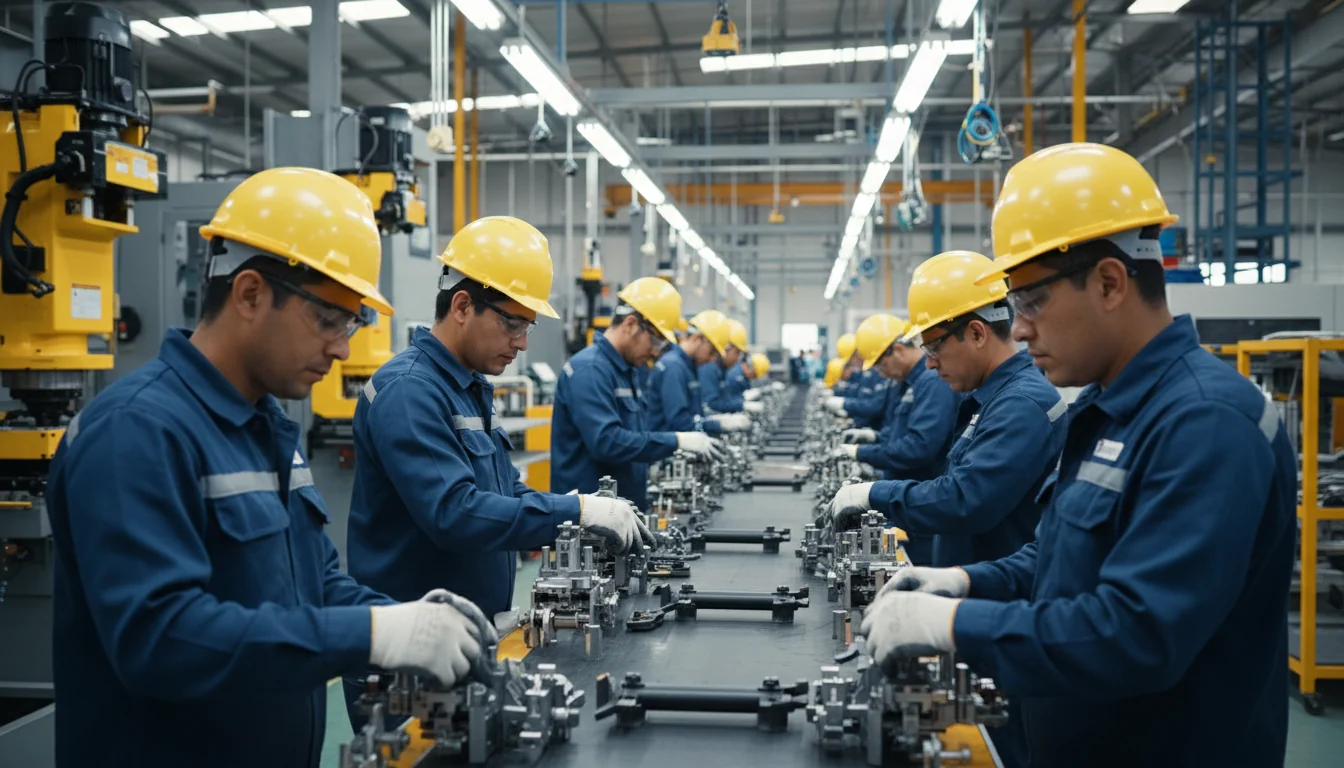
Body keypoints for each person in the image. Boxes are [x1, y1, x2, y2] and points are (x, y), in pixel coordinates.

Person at [860, 143, 1294, 767]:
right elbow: (1059, 555)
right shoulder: (1106, 406)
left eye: (1031, 302)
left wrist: (955, 627)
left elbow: (1135, 634)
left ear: (1110, 282)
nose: (1023, 327)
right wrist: (962, 582)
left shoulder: (1207, 423)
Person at [45, 168, 486, 768]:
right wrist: (371, 636)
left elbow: (316, 582)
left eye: (352, 323)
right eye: (330, 319)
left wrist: (399, 615)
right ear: (249, 293)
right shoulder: (136, 432)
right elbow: (160, 637)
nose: (343, 347)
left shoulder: (267, 428)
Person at [825, 251, 1067, 768]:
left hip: (1000, 615)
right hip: (980, 592)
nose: (929, 363)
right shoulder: (989, 397)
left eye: (935, 346)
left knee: (1007, 742)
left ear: (977, 334)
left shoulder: (1020, 402)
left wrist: (875, 494)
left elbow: (967, 499)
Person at [346, 216, 653, 621]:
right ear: (462, 306)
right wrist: (573, 512)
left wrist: (577, 508)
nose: (523, 342)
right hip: (409, 652)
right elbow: (454, 513)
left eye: (528, 325)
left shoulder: (469, 387)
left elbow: (508, 492)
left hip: (465, 632)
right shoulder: (409, 390)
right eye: (512, 323)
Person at [551, 277, 726, 511]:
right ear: (631, 324)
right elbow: (606, 442)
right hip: (590, 521)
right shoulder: (591, 369)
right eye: (655, 340)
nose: (656, 351)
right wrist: (676, 440)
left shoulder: (628, 369)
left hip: (621, 508)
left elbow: (635, 435)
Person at [829, 314, 959, 564]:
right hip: (904, 498)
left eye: (880, 365)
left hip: (919, 500)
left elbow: (919, 447)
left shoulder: (931, 382)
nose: (882, 373)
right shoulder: (910, 382)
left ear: (898, 350)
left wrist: (861, 454)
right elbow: (898, 432)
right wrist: (873, 437)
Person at [645, 309, 750, 435]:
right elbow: (679, 422)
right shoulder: (674, 367)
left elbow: (694, 415)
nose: (711, 359)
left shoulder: (688, 367)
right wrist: (717, 425)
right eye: (711, 352)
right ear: (697, 338)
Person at [699, 319, 763, 418]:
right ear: (725, 348)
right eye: (736, 353)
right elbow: (711, 403)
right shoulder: (709, 368)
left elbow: (725, 398)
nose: (737, 359)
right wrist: (742, 404)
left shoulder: (721, 369)